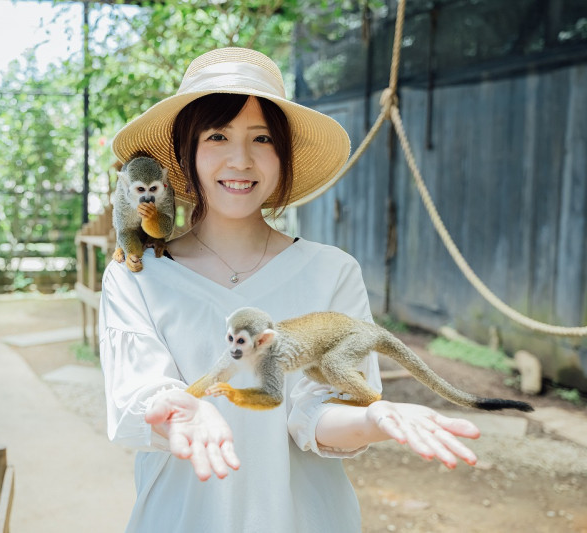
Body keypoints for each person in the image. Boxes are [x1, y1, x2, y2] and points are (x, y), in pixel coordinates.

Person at [100, 47, 481, 533]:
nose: (241, 159)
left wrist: (373, 419)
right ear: (184, 153)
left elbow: (316, 411)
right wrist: (173, 411)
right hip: (180, 518)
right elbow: (141, 399)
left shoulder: (331, 271)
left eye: (261, 138)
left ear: (283, 155)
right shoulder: (138, 275)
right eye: (217, 135)